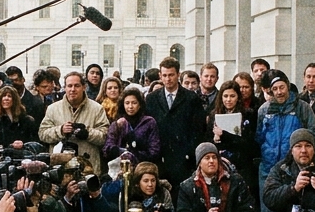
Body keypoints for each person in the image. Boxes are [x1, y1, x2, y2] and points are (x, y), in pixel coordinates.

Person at [254, 70, 315, 212]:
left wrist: (302, 156)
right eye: (274, 89)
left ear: (287, 86)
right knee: (268, 211)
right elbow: (259, 137)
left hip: (294, 170)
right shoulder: (264, 110)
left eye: (282, 87)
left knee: (292, 210)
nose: (279, 92)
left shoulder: (302, 108)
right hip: (268, 168)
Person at [145, 58, 207, 191]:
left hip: (184, 158)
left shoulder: (191, 99)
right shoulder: (151, 98)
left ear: (178, 75)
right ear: (160, 76)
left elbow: (198, 129)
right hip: (160, 157)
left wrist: (190, 153)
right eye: (165, 75)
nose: (168, 79)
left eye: (171, 75)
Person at [38, 72, 111, 173]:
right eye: (69, 86)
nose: (73, 89)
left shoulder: (97, 109)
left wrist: (88, 133)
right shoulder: (53, 109)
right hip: (60, 170)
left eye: (77, 86)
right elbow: (42, 134)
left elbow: (105, 137)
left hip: (89, 168)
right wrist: (61, 130)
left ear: (84, 87)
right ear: (65, 88)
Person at [209, 80, 259, 195]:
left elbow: (250, 144)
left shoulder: (248, 114)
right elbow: (208, 140)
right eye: (225, 96)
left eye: (232, 96)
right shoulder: (214, 114)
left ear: (238, 97)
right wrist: (215, 139)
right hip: (221, 164)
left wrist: (225, 135)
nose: (228, 100)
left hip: (242, 165)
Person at [102, 89, 161, 166]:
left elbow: (154, 151)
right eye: (127, 103)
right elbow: (107, 148)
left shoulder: (149, 122)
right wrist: (120, 151)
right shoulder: (118, 124)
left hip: (143, 168)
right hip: (120, 168)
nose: (130, 106)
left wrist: (134, 154)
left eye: (134, 103)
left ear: (140, 105)